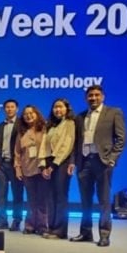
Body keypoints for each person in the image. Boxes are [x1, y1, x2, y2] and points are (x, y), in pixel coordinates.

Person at [72, 84, 127, 247]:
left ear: (102, 97)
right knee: (85, 201)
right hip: (84, 162)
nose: (93, 98)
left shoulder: (113, 113)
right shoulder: (80, 117)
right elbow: (76, 141)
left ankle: (104, 234)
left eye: (97, 95)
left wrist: (112, 158)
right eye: (90, 96)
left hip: (102, 162)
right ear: (86, 98)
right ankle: (86, 232)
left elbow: (121, 138)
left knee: (103, 201)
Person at [14, 104, 51, 235]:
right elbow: (17, 153)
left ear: (37, 114)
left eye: (31, 113)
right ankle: (29, 225)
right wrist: (18, 169)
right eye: (25, 114)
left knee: (42, 199)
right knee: (30, 200)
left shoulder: (45, 128)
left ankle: (42, 226)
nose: (28, 116)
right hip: (27, 170)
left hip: (42, 169)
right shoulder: (21, 132)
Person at [45, 98, 77, 239]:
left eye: (60, 107)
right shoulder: (52, 125)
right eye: (55, 107)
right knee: (51, 197)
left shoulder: (70, 123)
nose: (58, 110)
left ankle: (60, 230)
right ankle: (51, 227)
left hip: (61, 163)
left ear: (66, 108)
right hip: (51, 162)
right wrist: (46, 164)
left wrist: (54, 164)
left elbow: (66, 145)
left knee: (61, 197)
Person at [0, 99, 24, 231]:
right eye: (7, 107)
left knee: (17, 194)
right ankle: (2, 220)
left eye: (12, 107)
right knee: (1, 195)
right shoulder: (0, 126)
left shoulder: (22, 124)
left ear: (17, 109)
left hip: (16, 165)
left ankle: (16, 221)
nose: (9, 109)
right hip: (2, 164)